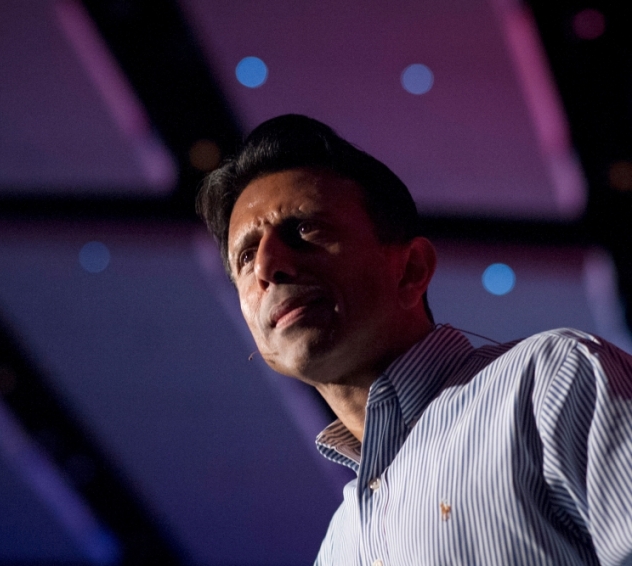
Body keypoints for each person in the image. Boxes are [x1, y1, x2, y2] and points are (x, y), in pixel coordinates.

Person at [196, 114, 632, 565]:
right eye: (246, 257)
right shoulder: (337, 549)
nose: (268, 266)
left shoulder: (551, 382)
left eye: (306, 229)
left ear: (411, 269)